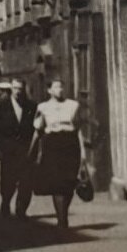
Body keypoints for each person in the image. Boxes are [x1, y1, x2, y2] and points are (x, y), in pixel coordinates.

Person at [30, 78, 81, 229]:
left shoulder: (73, 105)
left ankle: (63, 213)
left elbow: (78, 129)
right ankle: (62, 219)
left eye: (61, 87)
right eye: (56, 87)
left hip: (70, 144)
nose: (60, 90)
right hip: (52, 145)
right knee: (57, 182)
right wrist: (31, 151)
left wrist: (83, 153)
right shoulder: (43, 107)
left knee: (69, 181)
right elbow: (38, 129)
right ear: (49, 90)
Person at [0, 79, 36, 218]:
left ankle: (21, 210)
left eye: (20, 89)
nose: (18, 92)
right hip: (7, 151)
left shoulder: (31, 107)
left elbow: (36, 128)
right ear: (11, 89)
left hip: (26, 151)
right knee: (8, 180)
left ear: (24, 89)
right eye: (15, 88)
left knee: (26, 182)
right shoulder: (1, 106)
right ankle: (6, 202)